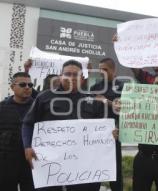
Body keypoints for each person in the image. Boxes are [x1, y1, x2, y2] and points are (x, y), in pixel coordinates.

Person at [22, 60, 110, 191]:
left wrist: (110, 133)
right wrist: (27, 146)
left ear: (82, 77)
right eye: (67, 74)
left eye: (76, 74)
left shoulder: (93, 99)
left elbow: (102, 129)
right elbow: (28, 124)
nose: (72, 78)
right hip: (50, 166)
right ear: (60, 76)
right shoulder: (44, 97)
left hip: (84, 169)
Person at [90, 57, 123, 191]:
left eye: (105, 69)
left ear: (114, 70)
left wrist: (107, 102)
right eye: (100, 69)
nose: (101, 72)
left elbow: (126, 109)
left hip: (114, 134)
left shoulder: (123, 87)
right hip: (95, 135)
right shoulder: (95, 87)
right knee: (94, 168)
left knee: (115, 170)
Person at [0, 72, 35, 191]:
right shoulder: (2, 107)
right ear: (12, 87)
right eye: (22, 84)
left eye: (30, 85)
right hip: (6, 162)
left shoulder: (39, 107)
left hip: (31, 162)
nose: (27, 87)